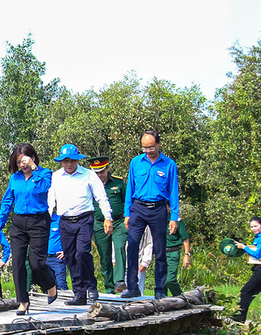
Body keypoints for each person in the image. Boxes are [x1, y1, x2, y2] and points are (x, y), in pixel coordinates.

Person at [0, 144, 57, 315]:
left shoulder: (45, 174)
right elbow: (7, 202)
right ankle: (23, 301)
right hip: (19, 223)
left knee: (37, 264)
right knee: (18, 263)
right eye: (19, 162)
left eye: (25, 160)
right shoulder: (15, 178)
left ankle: (50, 284)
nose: (22, 164)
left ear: (33, 158)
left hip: (39, 222)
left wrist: (35, 170)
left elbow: (43, 189)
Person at [48, 144, 113, 306]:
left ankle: (91, 286)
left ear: (77, 160)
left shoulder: (88, 175)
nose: (68, 164)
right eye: (65, 161)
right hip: (65, 221)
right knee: (70, 257)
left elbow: (101, 197)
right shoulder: (56, 176)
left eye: (71, 161)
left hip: (84, 219)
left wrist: (107, 217)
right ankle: (79, 293)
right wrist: (46, 219)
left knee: (82, 253)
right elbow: (51, 199)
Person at [123, 130, 180, 299]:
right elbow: (130, 189)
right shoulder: (136, 162)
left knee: (160, 249)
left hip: (158, 209)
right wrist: (127, 212)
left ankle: (160, 289)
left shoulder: (169, 164)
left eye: (151, 147)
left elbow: (174, 192)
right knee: (132, 246)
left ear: (158, 145)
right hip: (138, 208)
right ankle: (132, 286)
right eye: (144, 147)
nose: (148, 151)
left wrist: (174, 218)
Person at [87, 157, 127, 293]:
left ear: (107, 169)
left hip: (118, 221)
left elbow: (126, 202)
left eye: (102, 171)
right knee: (105, 256)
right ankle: (109, 288)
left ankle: (119, 280)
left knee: (120, 246)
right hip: (99, 223)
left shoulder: (118, 182)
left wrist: (128, 218)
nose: (99, 175)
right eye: (96, 172)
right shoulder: (89, 184)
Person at [138, 218, 191, 297]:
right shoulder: (156, 220)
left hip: (172, 252)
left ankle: (181, 297)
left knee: (170, 280)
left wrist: (187, 255)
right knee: (161, 282)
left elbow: (185, 238)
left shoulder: (177, 221)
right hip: (160, 252)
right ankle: (164, 301)